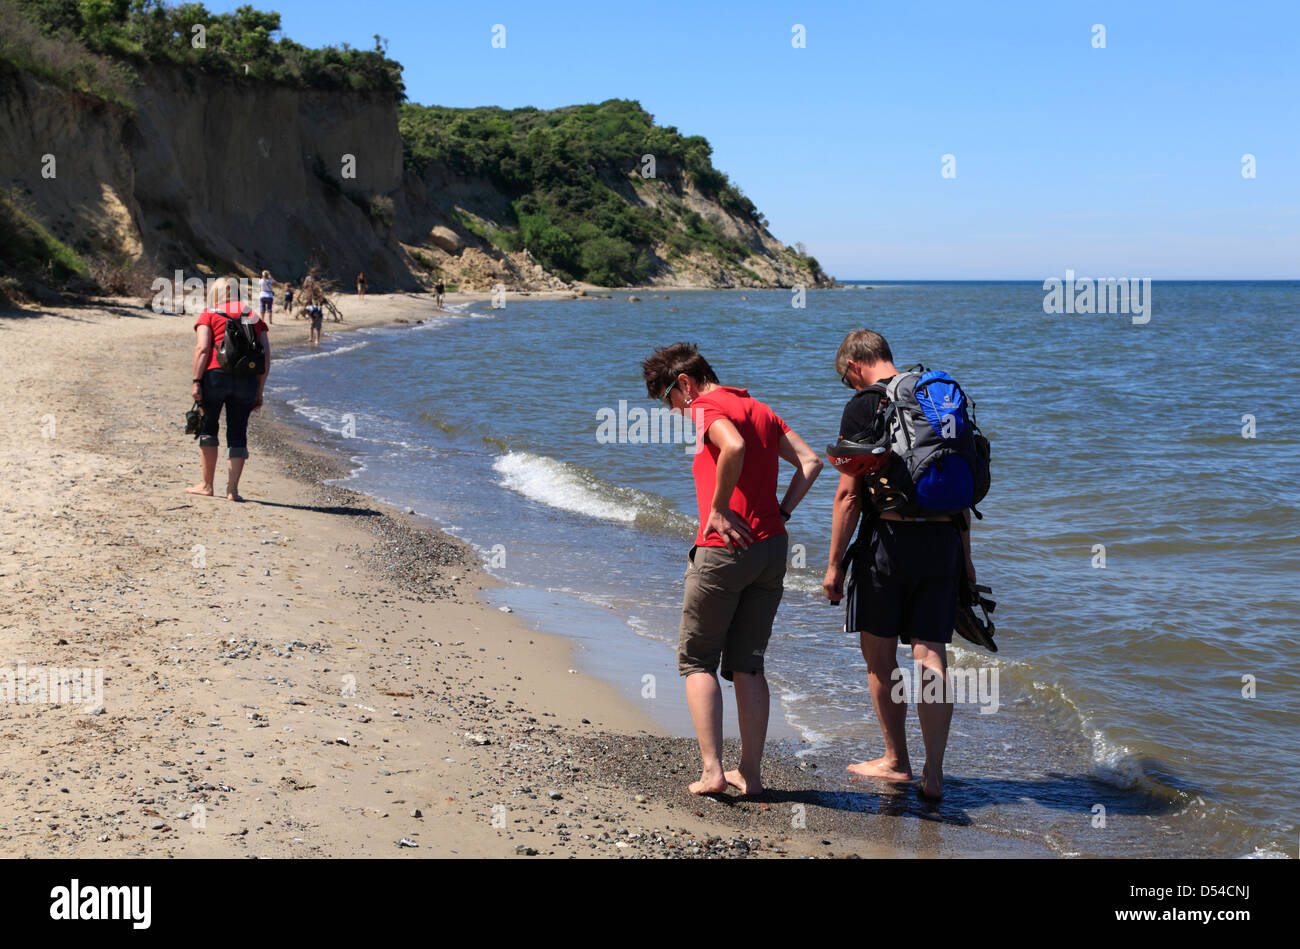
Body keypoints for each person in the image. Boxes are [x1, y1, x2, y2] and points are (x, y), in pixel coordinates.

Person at [642, 343, 822, 796]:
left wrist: (719, 508)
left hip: (723, 548)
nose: (676, 412)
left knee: (698, 660)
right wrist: (781, 512)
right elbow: (811, 461)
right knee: (749, 664)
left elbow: (733, 445)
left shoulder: (704, 405)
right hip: (771, 548)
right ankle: (752, 776)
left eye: (670, 402)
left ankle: (713, 772)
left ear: (683, 384)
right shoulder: (757, 406)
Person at [822, 329, 975, 802]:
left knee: (881, 657)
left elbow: (849, 493)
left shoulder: (866, 404)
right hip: (944, 540)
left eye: (847, 380)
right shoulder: (935, 396)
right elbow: (958, 487)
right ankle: (934, 774)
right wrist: (967, 564)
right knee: (930, 655)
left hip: (888, 543)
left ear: (853, 367)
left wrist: (833, 567)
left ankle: (896, 760)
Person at [187, 277, 271, 502]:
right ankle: (232, 490)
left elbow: (203, 348)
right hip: (246, 380)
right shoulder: (252, 315)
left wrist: (196, 381)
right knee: (237, 431)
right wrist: (259, 390)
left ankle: (207, 485)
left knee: (209, 427)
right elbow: (265, 355)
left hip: (215, 376)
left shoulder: (209, 313)